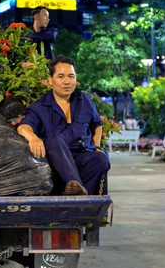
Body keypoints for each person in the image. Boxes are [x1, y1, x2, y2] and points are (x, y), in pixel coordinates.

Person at [17, 56, 110, 196]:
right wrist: (33, 138)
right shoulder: (40, 106)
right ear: (50, 80)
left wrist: (96, 146)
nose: (67, 81)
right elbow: (23, 127)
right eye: (61, 76)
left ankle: (83, 202)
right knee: (54, 139)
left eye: (71, 76)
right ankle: (76, 191)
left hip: (82, 156)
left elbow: (97, 125)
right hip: (58, 164)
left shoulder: (85, 100)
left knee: (101, 159)